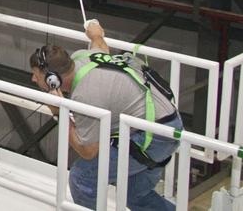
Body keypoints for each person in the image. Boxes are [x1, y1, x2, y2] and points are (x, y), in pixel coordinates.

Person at [29, 19, 181, 211]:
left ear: (53, 79)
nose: (33, 79)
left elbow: (88, 151)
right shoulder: (83, 57)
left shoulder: (86, 94)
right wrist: (96, 34)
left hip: (155, 137)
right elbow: (100, 46)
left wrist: (59, 111)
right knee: (134, 195)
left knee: (81, 178)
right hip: (168, 122)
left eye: (36, 74)